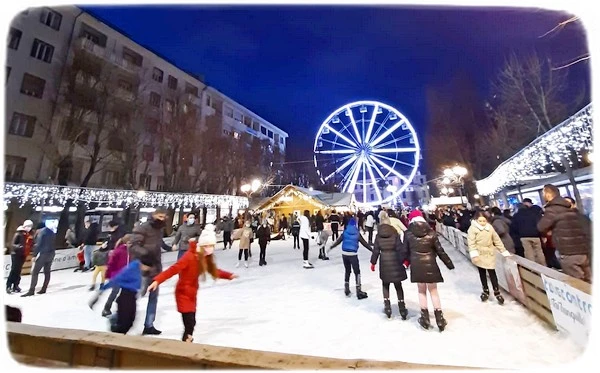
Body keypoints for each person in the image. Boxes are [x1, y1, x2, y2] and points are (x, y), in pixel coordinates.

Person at [148, 225, 236, 342]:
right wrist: (157, 280)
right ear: (202, 245)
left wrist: (228, 275)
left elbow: (213, 270)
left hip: (192, 293)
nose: (210, 248)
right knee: (189, 322)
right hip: (183, 292)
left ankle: (187, 341)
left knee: (192, 323)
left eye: (212, 246)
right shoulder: (189, 256)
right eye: (208, 245)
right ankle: (186, 342)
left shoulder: (204, 257)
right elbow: (173, 269)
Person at [404, 210, 454, 331]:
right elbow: (440, 250)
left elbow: (405, 251)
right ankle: (439, 317)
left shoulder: (408, 234)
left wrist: (404, 262)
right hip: (430, 264)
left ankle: (424, 316)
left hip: (417, 266)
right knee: (434, 291)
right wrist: (449, 263)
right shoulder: (431, 232)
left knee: (421, 291)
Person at [129, 208, 172, 335]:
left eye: (164, 216)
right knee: (135, 296)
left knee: (153, 298)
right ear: (153, 215)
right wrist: (145, 256)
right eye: (159, 216)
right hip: (142, 267)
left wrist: (168, 248)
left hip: (155, 268)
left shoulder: (159, 229)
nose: (162, 219)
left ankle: (149, 325)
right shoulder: (143, 228)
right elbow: (133, 246)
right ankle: (120, 317)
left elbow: (159, 244)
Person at [537, 185, 592, 283]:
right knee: (589, 279)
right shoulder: (569, 209)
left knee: (577, 282)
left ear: (548, 194)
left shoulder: (553, 209)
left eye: (543, 193)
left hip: (568, 252)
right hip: (583, 250)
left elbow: (541, 227)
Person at [89, 254, 154, 335]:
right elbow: (117, 279)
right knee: (124, 323)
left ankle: (117, 327)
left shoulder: (139, 269)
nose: (147, 269)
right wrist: (102, 290)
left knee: (131, 320)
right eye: (148, 267)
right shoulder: (132, 268)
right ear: (143, 264)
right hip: (125, 297)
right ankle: (114, 328)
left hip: (131, 297)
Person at [370, 212, 408, 319]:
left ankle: (387, 306)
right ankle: (402, 307)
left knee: (385, 284)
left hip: (384, 261)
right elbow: (400, 248)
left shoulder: (378, 235)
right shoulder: (395, 233)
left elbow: (376, 250)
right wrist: (405, 260)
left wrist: (373, 262)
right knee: (398, 285)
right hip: (395, 260)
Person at [467, 211, 511, 304]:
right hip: (479, 253)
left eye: (484, 220)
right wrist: (474, 254)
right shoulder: (473, 229)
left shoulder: (489, 228)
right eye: (480, 220)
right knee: (482, 273)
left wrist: (503, 250)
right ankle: (485, 290)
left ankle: (496, 291)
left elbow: (497, 239)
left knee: (492, 272)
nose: (482, 222)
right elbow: (471, 242)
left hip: (489, 252)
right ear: (476, 220)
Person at [329, 218, 372, 299]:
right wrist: (372, 250)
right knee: (357, 272)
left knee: (347, 271)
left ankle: (346, 289)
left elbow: (338, 241)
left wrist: (332, 246)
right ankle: (358, 290)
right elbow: (364, 243)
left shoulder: (345, 232)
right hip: (353, 254)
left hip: (344, 254)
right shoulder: (357, 233)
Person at [21, 220, 57, 297]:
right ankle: (44, 288)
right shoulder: (51, 232)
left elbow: (38, 244)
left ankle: (31, 290)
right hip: (51, 253)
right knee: (47, 271)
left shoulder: (41, 232)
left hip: (44, 254)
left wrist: (34, 255)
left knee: (35, 272)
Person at [102, 234, 132, 317]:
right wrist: (109, 275)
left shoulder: (130, 251)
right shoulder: (120, 251)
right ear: (127, 242)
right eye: (130, 243)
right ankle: (106, 309)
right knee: (115, 292)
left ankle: (121, 306)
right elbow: (111, 263)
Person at [512, 198, 545, 265]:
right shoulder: (532, 214)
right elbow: (538, 223)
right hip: (535, 235)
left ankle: (533, 268)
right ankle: (543, 266)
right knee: (539, 251)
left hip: (524, 236)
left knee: (529, 253)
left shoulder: (516, 216)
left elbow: (514, 227)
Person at [7, 220, 34, 294]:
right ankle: (8, 286)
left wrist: (30, 248)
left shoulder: (29, 234)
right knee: (14, 270)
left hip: (23, 254)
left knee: (18, 271)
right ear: (24, 226)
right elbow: (13, 244)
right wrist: (21, 247)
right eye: (28, 226)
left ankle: (16, 285)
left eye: (30, 226)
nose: (29, 228)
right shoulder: (18, 234)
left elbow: (30, 243)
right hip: (16, 254)